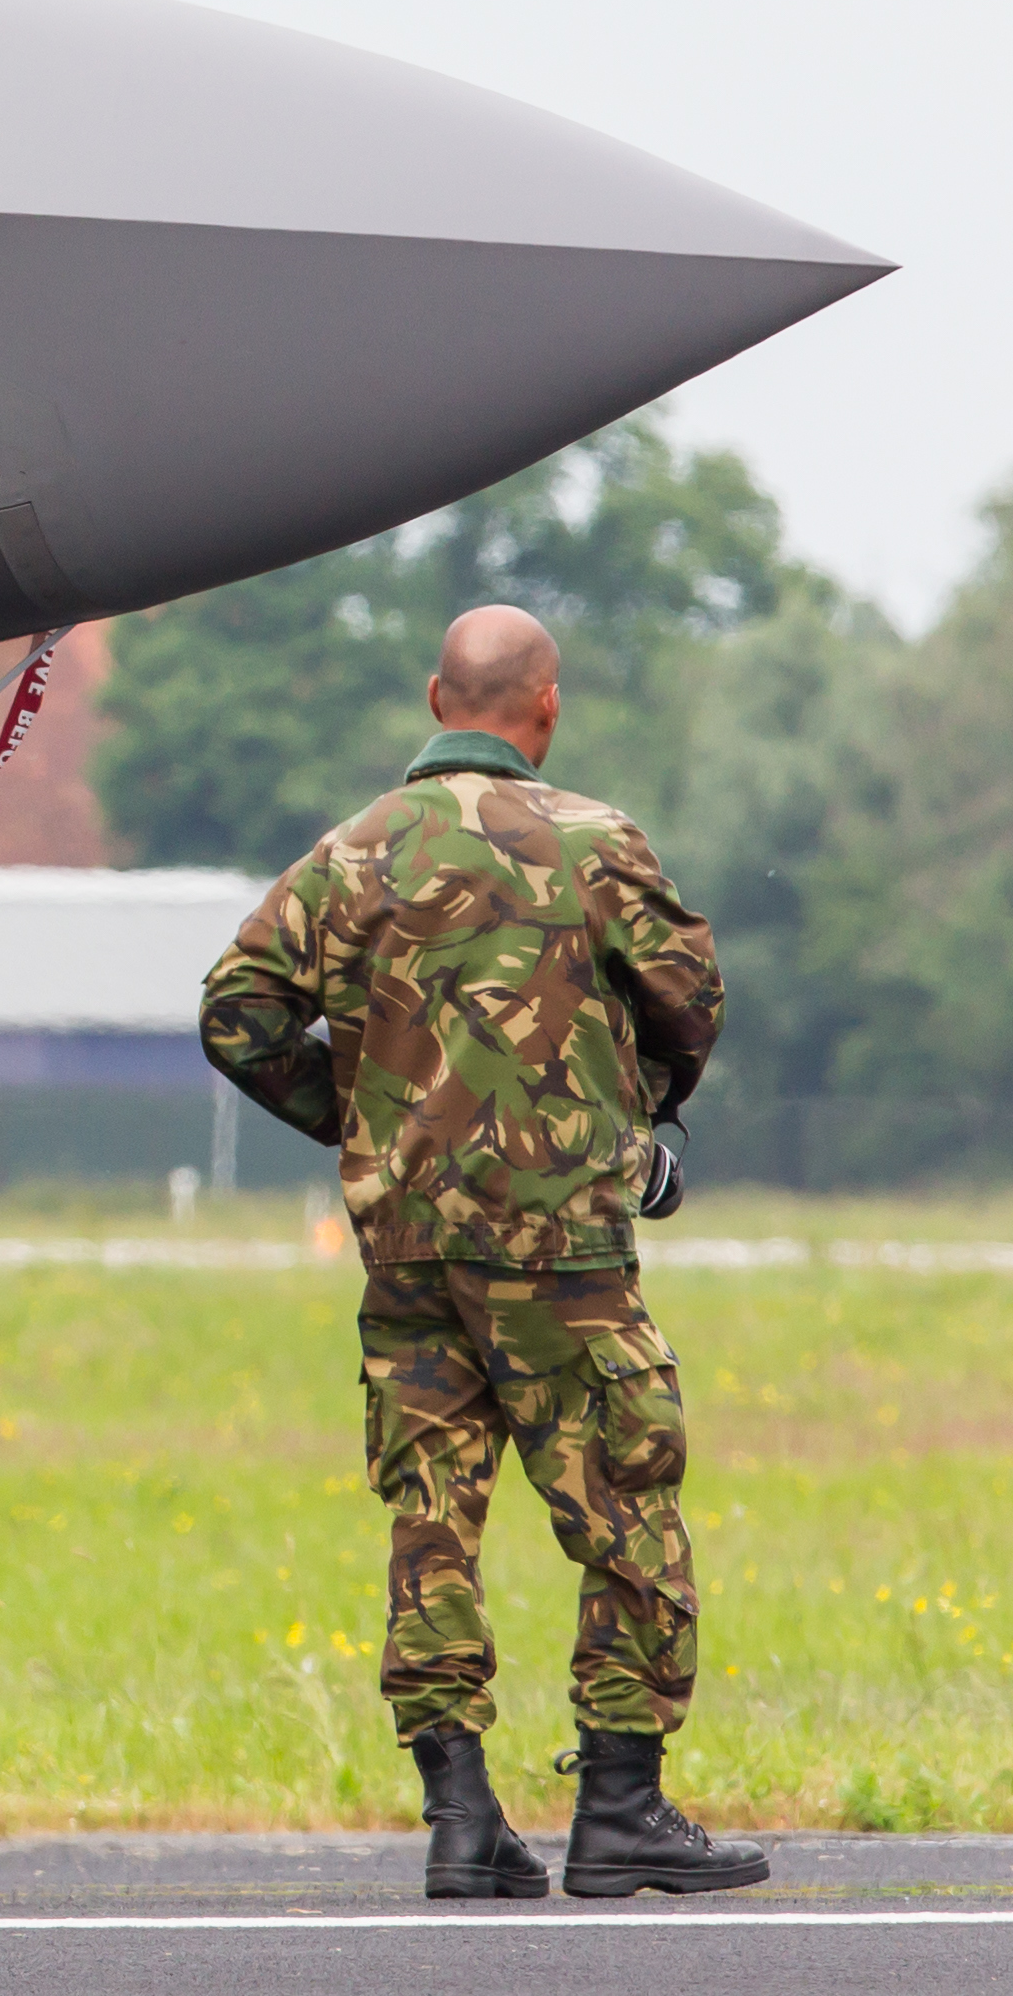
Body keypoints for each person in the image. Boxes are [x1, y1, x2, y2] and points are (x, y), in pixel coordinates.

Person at [199, 605, 768, 1901]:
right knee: (626, 1504)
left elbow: (238, 1012)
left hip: (408, 1251)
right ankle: (619, 1808)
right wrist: (635, 1119)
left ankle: (463, 1821)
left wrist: (358, 1115)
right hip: (559, 1250)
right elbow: (691, 994)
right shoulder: (591, 843)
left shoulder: (353, 854)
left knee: (431, 1520)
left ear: (437, 696)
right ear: (544, 707)